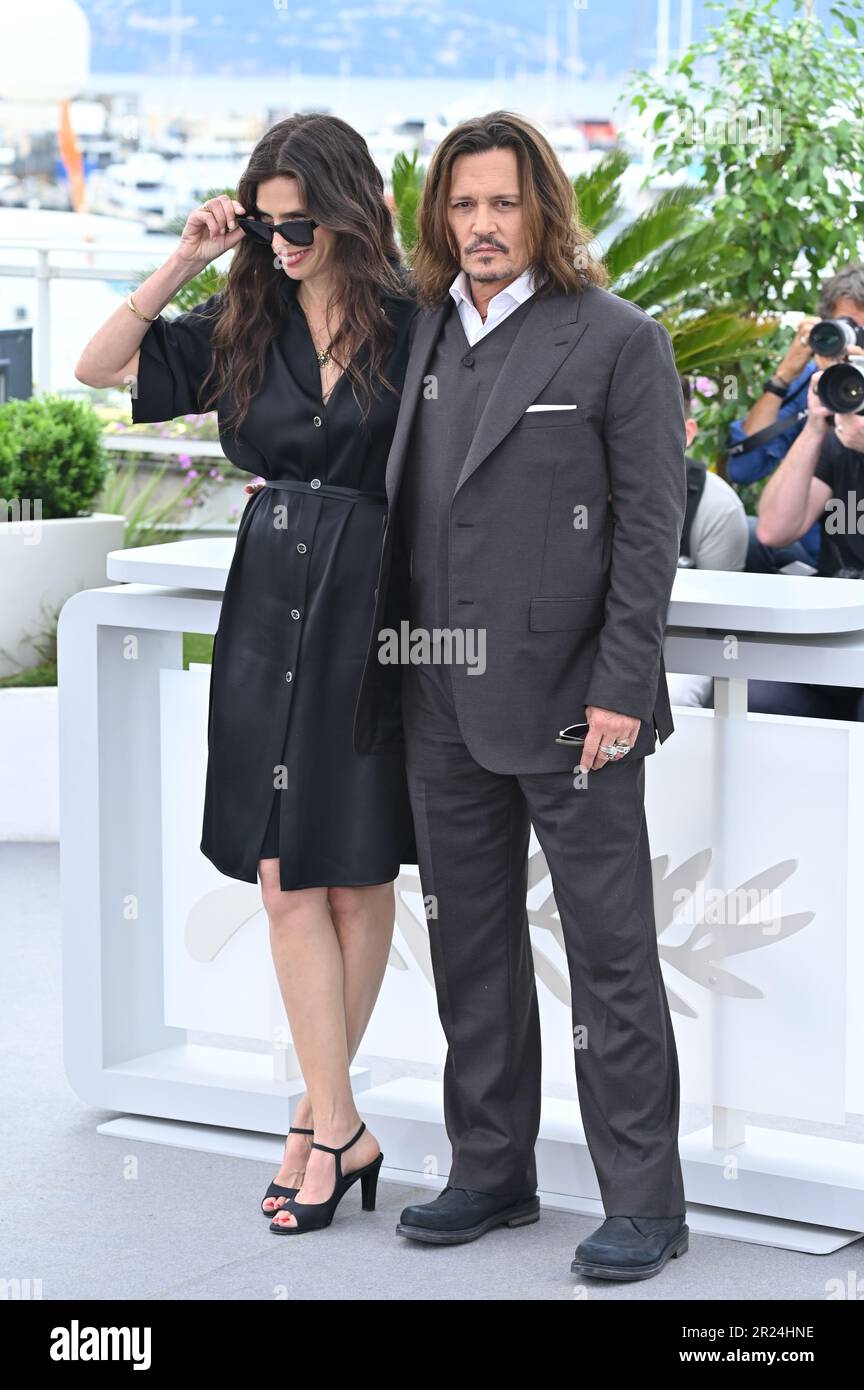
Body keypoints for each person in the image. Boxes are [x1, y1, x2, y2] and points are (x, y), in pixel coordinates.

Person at [355, 111, 690, 1281]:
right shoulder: (423, 339)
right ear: (438, 219)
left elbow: (651, 532)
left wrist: (620, 688)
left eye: (502, 204)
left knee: (610, 957)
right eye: (462, 206)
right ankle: (492, 1170)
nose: (482, 226)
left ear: (541, 208)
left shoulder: (616, 339)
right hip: (437, 696)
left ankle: (646, 1201)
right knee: (470, 947)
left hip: (573, 705)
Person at [75, 113, 419, 1235]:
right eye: (267, 222)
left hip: (375, 600)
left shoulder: (414, 326)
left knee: (360, 874)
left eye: (301, 221)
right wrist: (189, 255)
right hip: (269, 601)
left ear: (350, 209)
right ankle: (337, 1122)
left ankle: (318, 1130)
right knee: (283, 878)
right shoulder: (241, 318)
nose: (282, 240)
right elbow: (98, 366)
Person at [726, 263, 864, 574]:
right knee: (748, 535)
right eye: (848, 328)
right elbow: (743, 468)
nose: (858, 342)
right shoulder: (817, 386)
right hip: (816, 545)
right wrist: (784, 376)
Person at [744, 367, 864, 720]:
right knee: (757, 698)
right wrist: (814, 427)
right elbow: (775, 530)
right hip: (837, 621)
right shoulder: (841, 444)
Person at [667, 374, 749, 708]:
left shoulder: (716, 507)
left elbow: (720, 624)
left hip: (680, 637)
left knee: (674, 696)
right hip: (583, 631)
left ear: (687, 434)